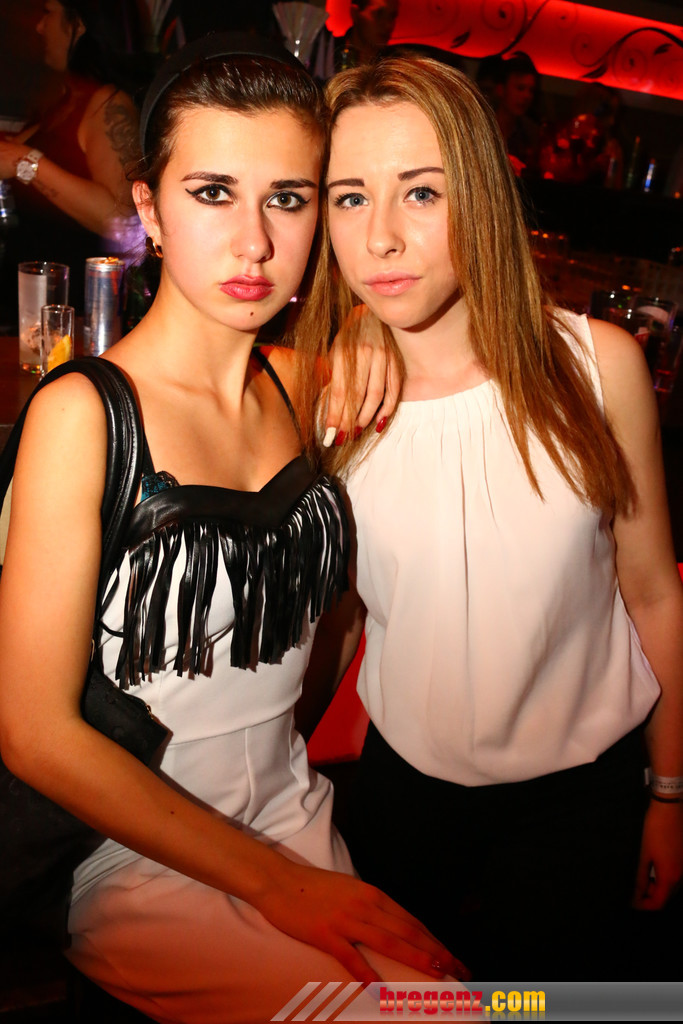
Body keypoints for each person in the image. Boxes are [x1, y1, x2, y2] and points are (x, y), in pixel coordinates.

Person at [0, 37, 461, 1023]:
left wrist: (369, 329)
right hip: (131, 847)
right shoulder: (84, 416)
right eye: (213, 193)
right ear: (147, 207)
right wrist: (276, 885)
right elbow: (34, 735)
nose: (253, 241)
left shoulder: (307, 385)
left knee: (464, 1005)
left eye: (286, 199)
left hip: (293, 809)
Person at [295, 56, 683, 980]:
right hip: (402, 793)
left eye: (420, 192)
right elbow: (335, 618)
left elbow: (652, 594)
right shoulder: (326, 395)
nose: (380, 237)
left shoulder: (600, 367)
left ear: (479, 194)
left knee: (545, 1006)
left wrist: (670, 794)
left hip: (581, 801)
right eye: (349, 198)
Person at [0, 0, 141, 311]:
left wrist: (24, 162)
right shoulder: (65, 102)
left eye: (48, 13)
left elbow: (120, 220)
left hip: (72, 313)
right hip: (33, 304)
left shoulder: (109, 103)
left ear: (79, 23)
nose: (39, 27)